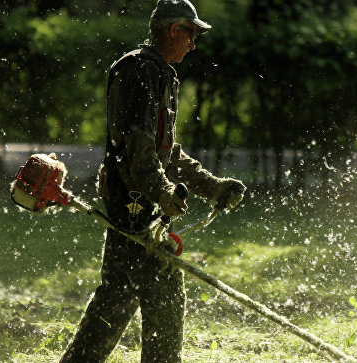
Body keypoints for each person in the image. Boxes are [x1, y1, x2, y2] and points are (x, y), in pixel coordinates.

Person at [59, 1, 246, 362]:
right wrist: (160, 192)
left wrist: (212, 186)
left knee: (123, 298)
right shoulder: (143, 71)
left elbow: (166, 151)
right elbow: (137, 147)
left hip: (143, 198)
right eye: (191, 34)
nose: (193, 44)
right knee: (143, 299)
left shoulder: (157, 71)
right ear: (174, 30)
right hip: (134, 201)